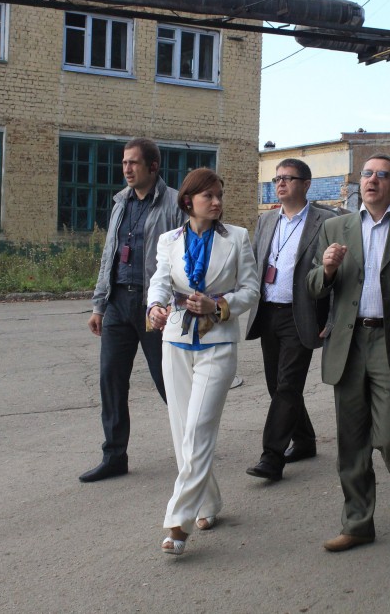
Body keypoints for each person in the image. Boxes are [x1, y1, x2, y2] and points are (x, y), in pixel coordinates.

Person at [306, 153, 390, 552]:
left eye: (382, 175)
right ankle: (358, 523)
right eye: (367, 173)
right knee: (352, 442)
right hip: (348, 343)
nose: (372, 180)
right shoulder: (335, 227)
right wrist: (327, 269)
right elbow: (313, 286)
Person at [146, 168, 259, 555]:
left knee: (197, 429)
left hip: (218, 342)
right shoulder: (169, 240)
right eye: (208, 196)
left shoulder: (237, 237)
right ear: (188, 201)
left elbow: (251, 290)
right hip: (176, 340)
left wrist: (219, 305)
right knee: (183, 433)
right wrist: (155, 306)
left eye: (219, 195)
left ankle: (178, 523)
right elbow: (160, 279)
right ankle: (207, 502)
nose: (216, 202)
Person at [80, 138, 185, 483]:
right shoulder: (120, 203)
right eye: (124, 162)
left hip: (153, 306)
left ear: (153, 167)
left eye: (134, 163)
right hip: (117, 304)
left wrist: (172, 303)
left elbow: (185, 257)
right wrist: (99, 305)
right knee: (111, 380)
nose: (127, 169)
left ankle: (192, 446)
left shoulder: (174, 204)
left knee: (167, 381)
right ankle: (114, 456)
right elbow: (109, 255)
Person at [244, 159, 334, 481]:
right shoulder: (267, 220)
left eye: (288, 178)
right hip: (269, 312)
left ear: (306, 184)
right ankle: (305, 440)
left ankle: (272, 457)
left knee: (287, 385)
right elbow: (256, 263)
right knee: (276, 385)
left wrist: (331, 319)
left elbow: (338, 276)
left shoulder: (327, 221)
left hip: (302, 314)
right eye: (277, 178)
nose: (280, 183)